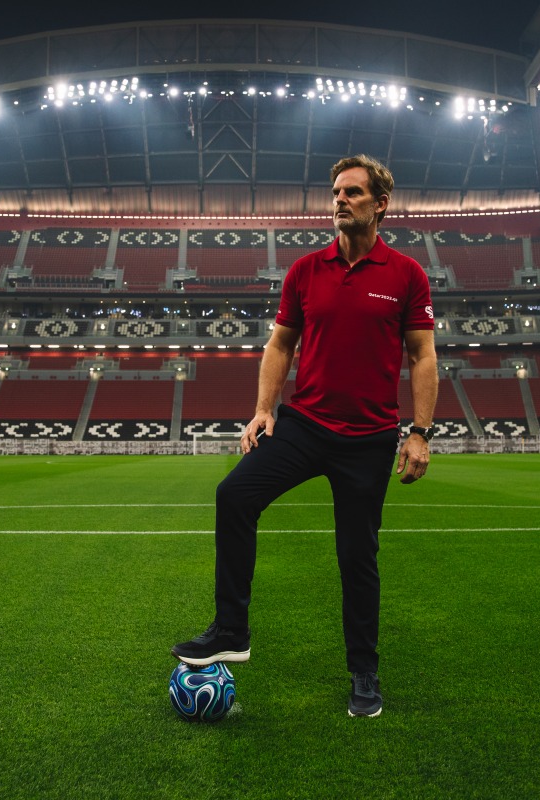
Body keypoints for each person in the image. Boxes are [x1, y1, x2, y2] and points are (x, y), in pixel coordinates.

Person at [171, 154, 439, 717]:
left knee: (357, 557)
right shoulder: (304, 271)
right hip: (306, 424)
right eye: (336, 192)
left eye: (353, 193)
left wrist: (418, 433)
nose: (339, 200)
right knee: (234, 495)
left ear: (380, 204)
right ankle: (230, 630)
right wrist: (263, 409)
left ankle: (364, 673)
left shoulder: (407, 274)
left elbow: (422, 355)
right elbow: (280, 345)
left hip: (369, 437)